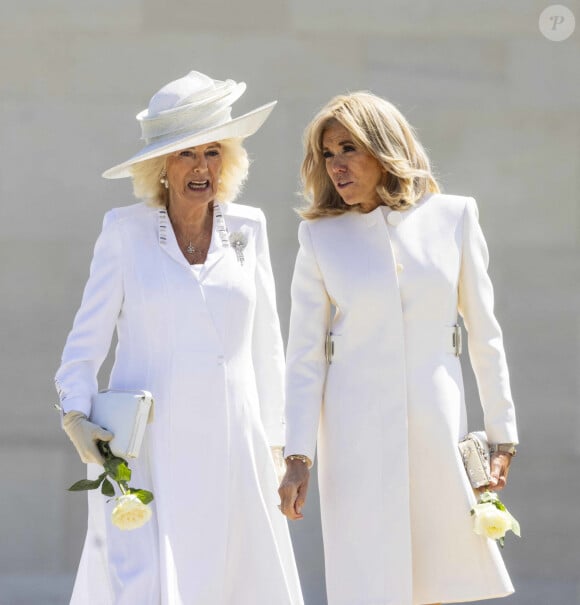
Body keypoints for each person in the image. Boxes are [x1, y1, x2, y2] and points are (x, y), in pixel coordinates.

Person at [55, 70, 303, 605]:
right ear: (160, 168)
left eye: (212, 152)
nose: (201, 167)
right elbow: (83, 346)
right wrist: (75, 414)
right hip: (148, 449)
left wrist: (282, 447)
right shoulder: (124, 231)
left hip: (236, 444)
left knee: (238, 583)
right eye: (186, 154)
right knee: (146, 585)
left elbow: (268, 347)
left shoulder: (249, 227)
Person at [278, 91, 519, 605]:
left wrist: (503, 436)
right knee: (369, 576)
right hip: (352, 432)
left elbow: (485, 333)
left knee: (443, 575)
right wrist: (297, 454)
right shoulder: (320, 237)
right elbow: (303, 355)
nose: (336, 165)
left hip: (437, 423)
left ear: (383, 148)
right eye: (327, 154)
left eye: (348, 149)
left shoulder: (453, 217)